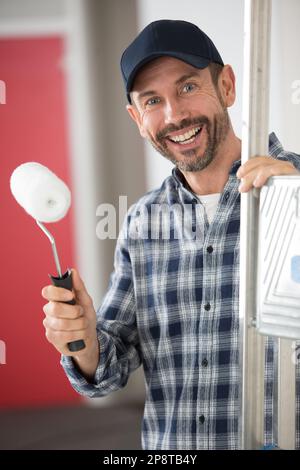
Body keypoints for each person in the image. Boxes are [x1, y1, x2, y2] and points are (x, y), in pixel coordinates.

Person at [41, 20, 300, 450]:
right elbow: (109, 368)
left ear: (228, 86)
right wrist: (81, 337)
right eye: (152, 101)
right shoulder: (142, 222)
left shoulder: (298, 187)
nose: (174, 116)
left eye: (187, 88)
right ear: (138, 119)